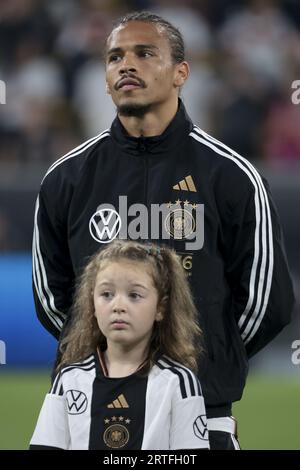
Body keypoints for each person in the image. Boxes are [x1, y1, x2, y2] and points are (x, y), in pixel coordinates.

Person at [32, 11, 295, 450]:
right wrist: (114, 358)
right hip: (93, 413)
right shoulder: (66, 178)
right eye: (115, 57)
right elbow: (53, 299)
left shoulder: (231, 175)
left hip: (201, 413)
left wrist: (204, 361)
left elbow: (269, 301)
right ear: (105, 78)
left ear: (181, 73)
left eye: (145, 53)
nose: (126, 65)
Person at [30, 240, 209, 450]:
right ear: (93, 305)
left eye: (134, 295)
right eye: (107, 294)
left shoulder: (178, 382)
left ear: (161, 308)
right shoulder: (69, 380)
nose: (118, 306)